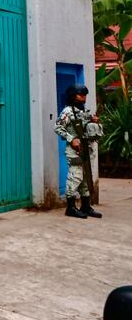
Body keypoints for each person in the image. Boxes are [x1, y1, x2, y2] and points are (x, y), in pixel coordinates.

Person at [54, 84, 103, 219]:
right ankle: (70, 208)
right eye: (80, 95)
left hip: (86, 149)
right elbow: (57, 127)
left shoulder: (84, 111)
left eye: (85, 95)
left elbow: (86, 128)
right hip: (74, 150)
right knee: (75, 177)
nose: (84, 97)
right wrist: (71, 139)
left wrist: (93, 121)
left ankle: (86, 206)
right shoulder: (67, 112)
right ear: (73, 96)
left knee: (85, 179)